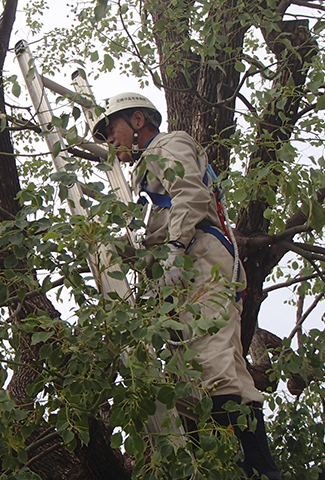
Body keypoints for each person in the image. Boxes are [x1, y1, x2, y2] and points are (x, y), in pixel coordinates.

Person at [92, 92, 281, 480]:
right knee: (197, 378)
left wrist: (176, 249)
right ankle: (257, 468)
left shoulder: (167, 144)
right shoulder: (149, 171)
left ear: (139, 120)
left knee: (213, 363)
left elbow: (190, 195)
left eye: (111, 131)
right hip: (189, 262)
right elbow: (163, 225)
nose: (110, 142)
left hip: (200, 259)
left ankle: (257, 470)